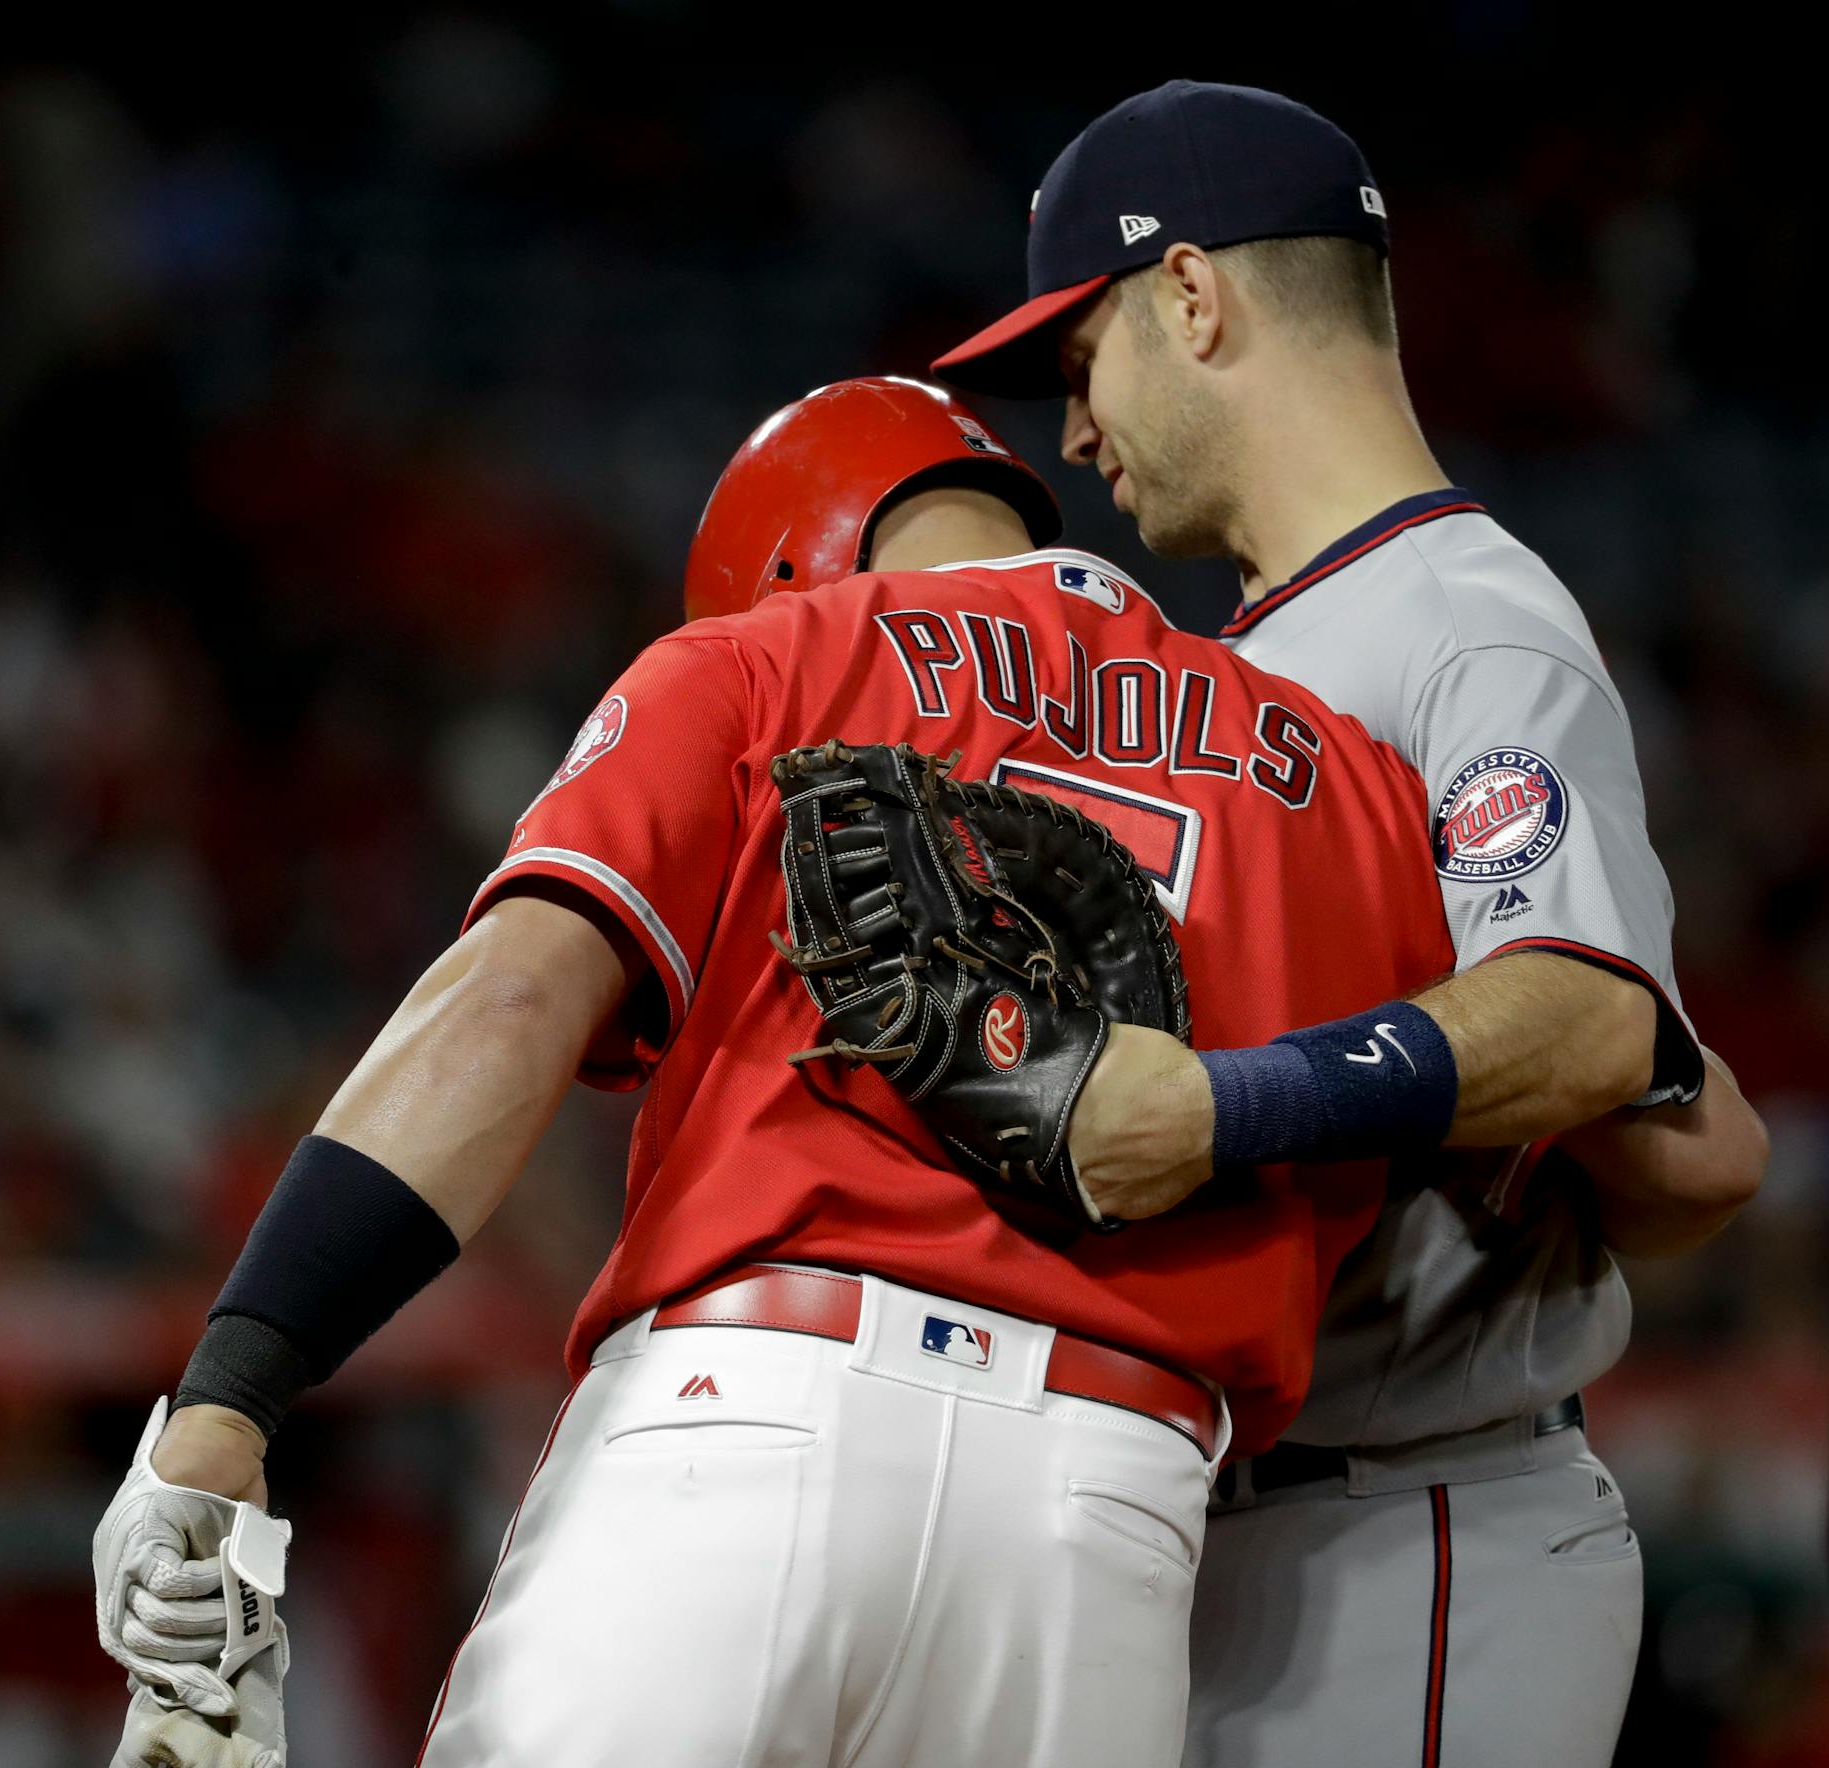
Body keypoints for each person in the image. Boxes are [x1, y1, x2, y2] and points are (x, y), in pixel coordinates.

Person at [94, 374, 1478, 1768]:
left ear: (784, 568)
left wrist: (235, 1389)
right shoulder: (1356, 786)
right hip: (1115, 1513)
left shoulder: (770, 660)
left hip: (747, 1425)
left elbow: (512, 997)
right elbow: (1589, 1140)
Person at [930, 79, 1770, 1767]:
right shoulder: (1231, 667)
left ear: (1190, 295)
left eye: (1077, 358)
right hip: (1221, 1514)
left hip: (1412, 1520)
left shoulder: (1461, 619)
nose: (1072, 433)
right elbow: (1682, 1141)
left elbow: (1592, 1022)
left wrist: (1230, 1106)